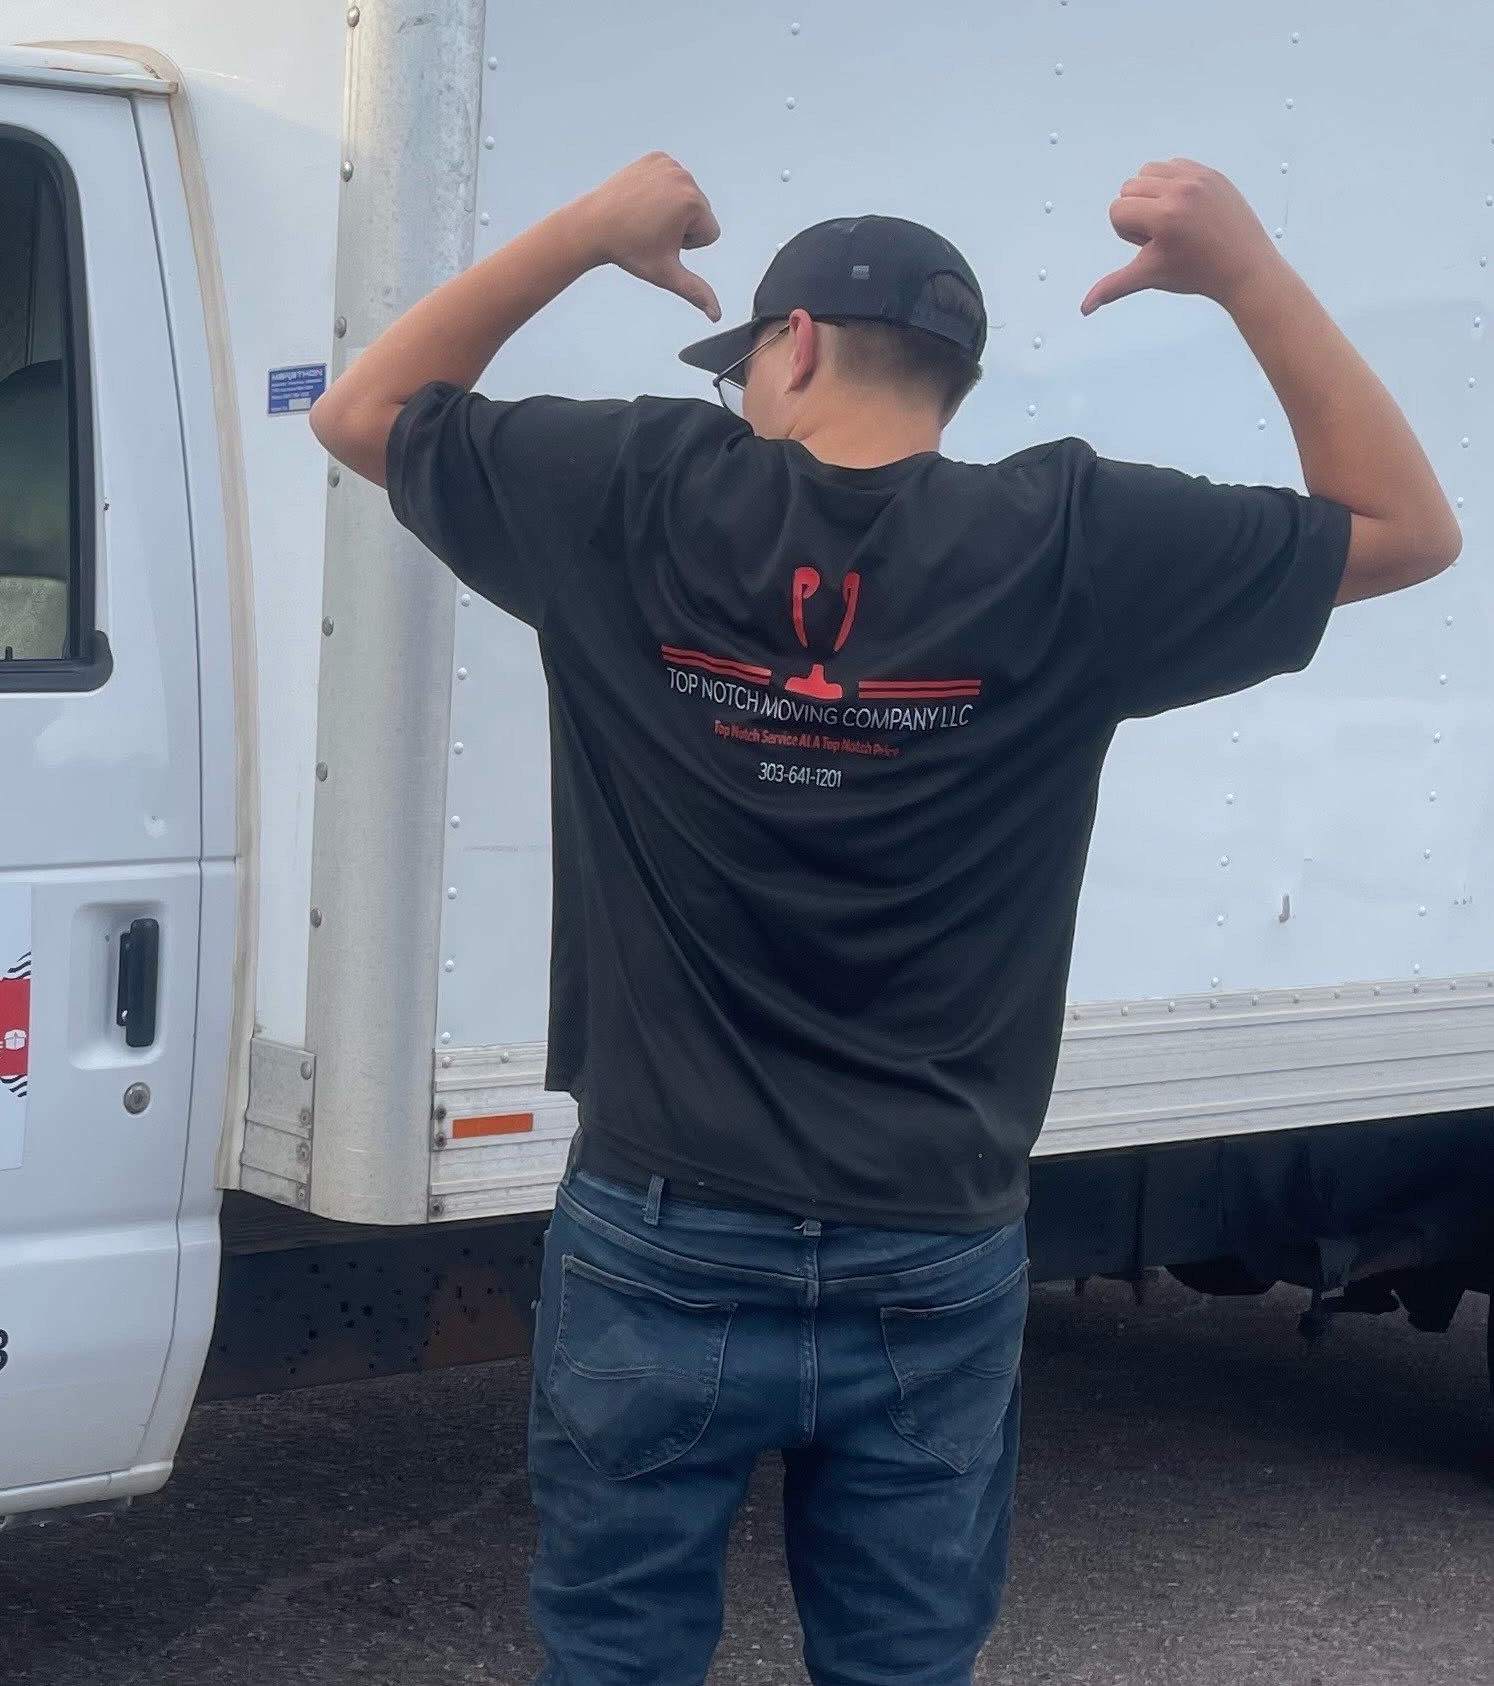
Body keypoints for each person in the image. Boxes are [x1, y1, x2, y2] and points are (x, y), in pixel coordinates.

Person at [309, 153, 1458, 1685]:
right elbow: (1404, 527)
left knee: (615, 1652)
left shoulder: (635, 492)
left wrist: (588, 234)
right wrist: (1241, 267)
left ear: (787, 346)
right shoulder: (1073, 540)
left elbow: (361, 413)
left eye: (747, 370)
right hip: (930, 1232)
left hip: (663, 1225)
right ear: (953, 379)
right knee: (903, 1661)